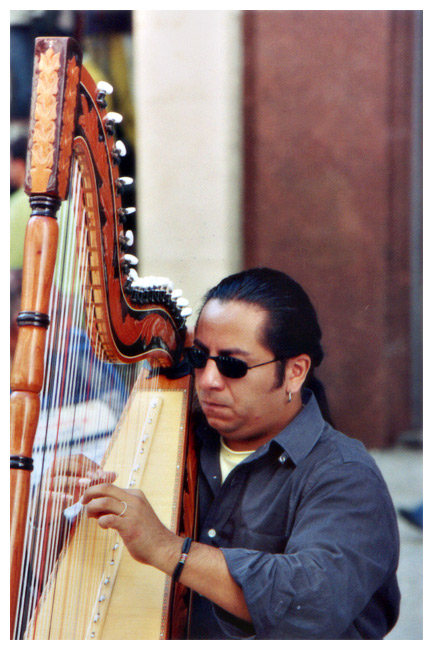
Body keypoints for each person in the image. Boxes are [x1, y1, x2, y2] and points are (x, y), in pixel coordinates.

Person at [68, 267, 399, 639]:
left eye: (232, 365)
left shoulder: (345, 475)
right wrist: (57, 523)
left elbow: (314, 603)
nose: (208, 380)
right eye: (199, 358)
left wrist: (169, 549)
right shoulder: (175, 435)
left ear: (294, 372)